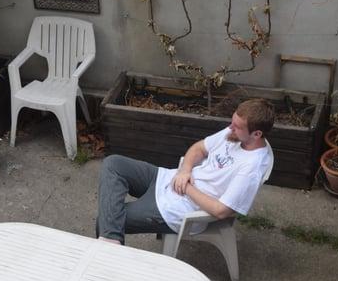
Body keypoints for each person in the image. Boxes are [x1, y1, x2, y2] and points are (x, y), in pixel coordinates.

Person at [97, 98, 275, 245]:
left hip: (179, 209)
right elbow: (199, 148)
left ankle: (110, 258)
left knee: (106, 222)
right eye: (232, 121)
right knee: (114, 164)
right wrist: (185, 171)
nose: (230, 127)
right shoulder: (234, 133)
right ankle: (112, 246)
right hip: (171, 179)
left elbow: (221, 211)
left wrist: (187, 187)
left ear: (256, 134)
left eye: (237, 126)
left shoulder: (251, 168)